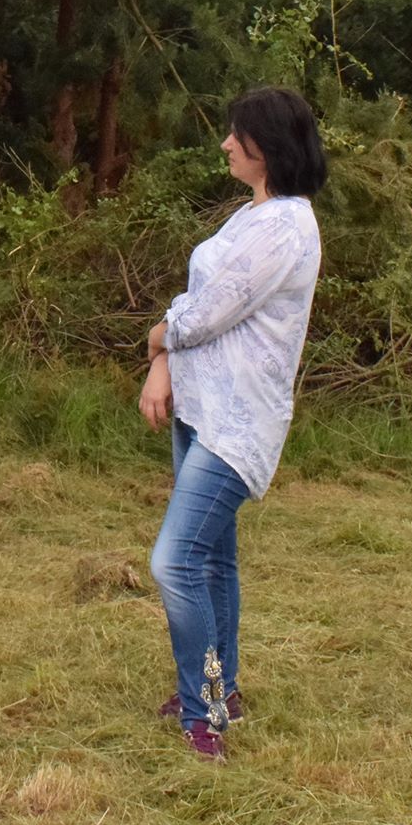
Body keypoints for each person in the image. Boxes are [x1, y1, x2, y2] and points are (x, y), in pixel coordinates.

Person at [141, 86, 326, 760]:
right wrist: (164, 359)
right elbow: (197, 296)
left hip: (237, 423)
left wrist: (157, 338)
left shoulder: (285, 227)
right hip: (202, 408)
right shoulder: (253, 215)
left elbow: (205, 312)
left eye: (235, 134)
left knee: (175, 560)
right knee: (213, 560)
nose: (224, 143)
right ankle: (223, 689)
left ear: (267, 146)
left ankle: (205, 713)